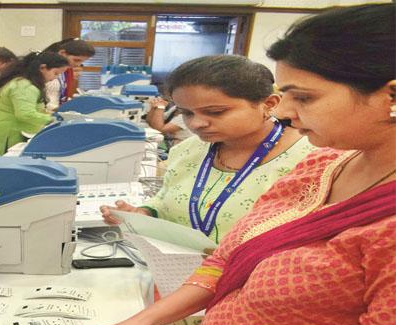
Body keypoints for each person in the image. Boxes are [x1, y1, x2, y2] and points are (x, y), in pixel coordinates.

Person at [73, 4, 395, 325]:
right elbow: (227, 258)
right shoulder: (323, 165)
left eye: (305, 97)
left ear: (391, 96)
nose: (286, 113)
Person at [102, 55, 316, 244]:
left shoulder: (311, 161)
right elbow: (165, 198)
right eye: (186, 113)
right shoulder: (188, 150)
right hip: (179, 273)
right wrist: (145, 213)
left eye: (215, 112)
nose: (196, 124)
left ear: (269, 103)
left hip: (254, 282)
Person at [0, 52, 69, 156]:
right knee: (1, 168)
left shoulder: (22, 82)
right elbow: (25, 114)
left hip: (9, 130)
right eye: (56, 73)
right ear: (42, 68)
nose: (56, 77)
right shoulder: (24, 86)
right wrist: (54, 119)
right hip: (7, 133)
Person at [43, 38, 95, 110]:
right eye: (76, 60)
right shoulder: (46, 69)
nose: (78, 64)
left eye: (82, 62)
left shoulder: (66, 70)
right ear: (62, 53)